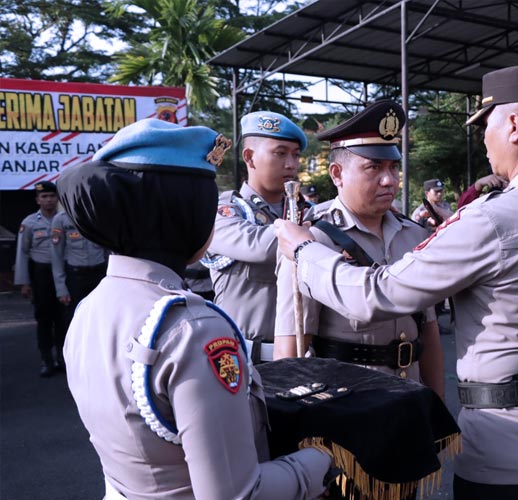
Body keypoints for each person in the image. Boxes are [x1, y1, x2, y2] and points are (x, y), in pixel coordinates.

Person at [275, 64, 518, 499]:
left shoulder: (491, 219)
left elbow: (378, 294)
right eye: (373, 167)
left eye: (486, 124)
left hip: (513, 449)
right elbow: (292, 346)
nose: (484, 138)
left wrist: (302, 251)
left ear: (513, 125)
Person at [57, 118, 332, 499]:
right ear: (184, 214)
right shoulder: (194, 329)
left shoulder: (91, 307)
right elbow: (238, 494)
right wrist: (321, 460)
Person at [273, 100, 444, 398]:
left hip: (413, 399)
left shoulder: (414, 235)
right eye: (373, 167)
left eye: (393, 167)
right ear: (337, 174)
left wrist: (439, 412)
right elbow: (291, 350)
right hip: (348, 405)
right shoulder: (311, 240)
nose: (389, 180)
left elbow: (428, 331)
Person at [203, 111, 308, 363]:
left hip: (300, 357)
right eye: (280, 153)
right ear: (249, 157)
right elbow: (262, 247)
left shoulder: (307, 212)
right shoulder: (225, 211)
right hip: (243, 360)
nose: (291, 164)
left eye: (295, 155)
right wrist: (317, 231)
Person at [14, 181, 67, 377]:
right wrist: (25, 283)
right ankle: (46, 359)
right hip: (41, 274)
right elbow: (22, 253)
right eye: (44, 197)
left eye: (51, 196)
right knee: (44, 317)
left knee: (63, 317)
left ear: (57, 198)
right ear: (37, 200)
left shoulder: (65, 220)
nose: (48, 200)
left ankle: (63, 357)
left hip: (62, 273)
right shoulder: (29, 223)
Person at [50, 210, 108, 350]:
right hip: (76, 276)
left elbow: (109, 250)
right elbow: (56, 256)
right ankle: (73, 354)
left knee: (101, 318)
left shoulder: (99, 213)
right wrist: (61, 288)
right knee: (74, 319)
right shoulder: (61, 219)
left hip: (99, 274)